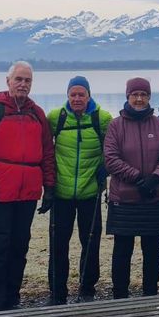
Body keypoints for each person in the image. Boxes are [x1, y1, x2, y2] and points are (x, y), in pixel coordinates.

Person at [0, 61, 56, 312]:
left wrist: (49, 186)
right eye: (18, 79)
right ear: (8, 81)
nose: (23, 84)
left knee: (20, 245)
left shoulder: (37, 113)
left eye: (27, 80)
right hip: (1, 190)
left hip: (28, 191)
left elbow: (47, 152)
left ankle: (12, 297)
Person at [103, 78, 159, 298]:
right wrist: (137, 178)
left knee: (152, 249)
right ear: (128, 96)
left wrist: (154, 178)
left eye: (144, 94)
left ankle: (150, 294)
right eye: (135, 94)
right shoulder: (116, 125)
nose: (139, 99)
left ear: (149, 97)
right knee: (122, 249)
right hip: (124, 197)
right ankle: (120, 295)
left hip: (154, 195)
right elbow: (111, 159)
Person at [47, 76, 113, 304]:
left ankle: (87, 290)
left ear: (88, 95)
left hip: (90, 192)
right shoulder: (56, 117)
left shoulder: (101, 118)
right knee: (58, 244)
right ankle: (57, 293)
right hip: (61, 193)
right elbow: (45, 147)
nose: (77, 98)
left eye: (81, 94)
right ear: (67, 95)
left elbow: (112, 147)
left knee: (91, 242)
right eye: (73, 94)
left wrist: (105, 167)